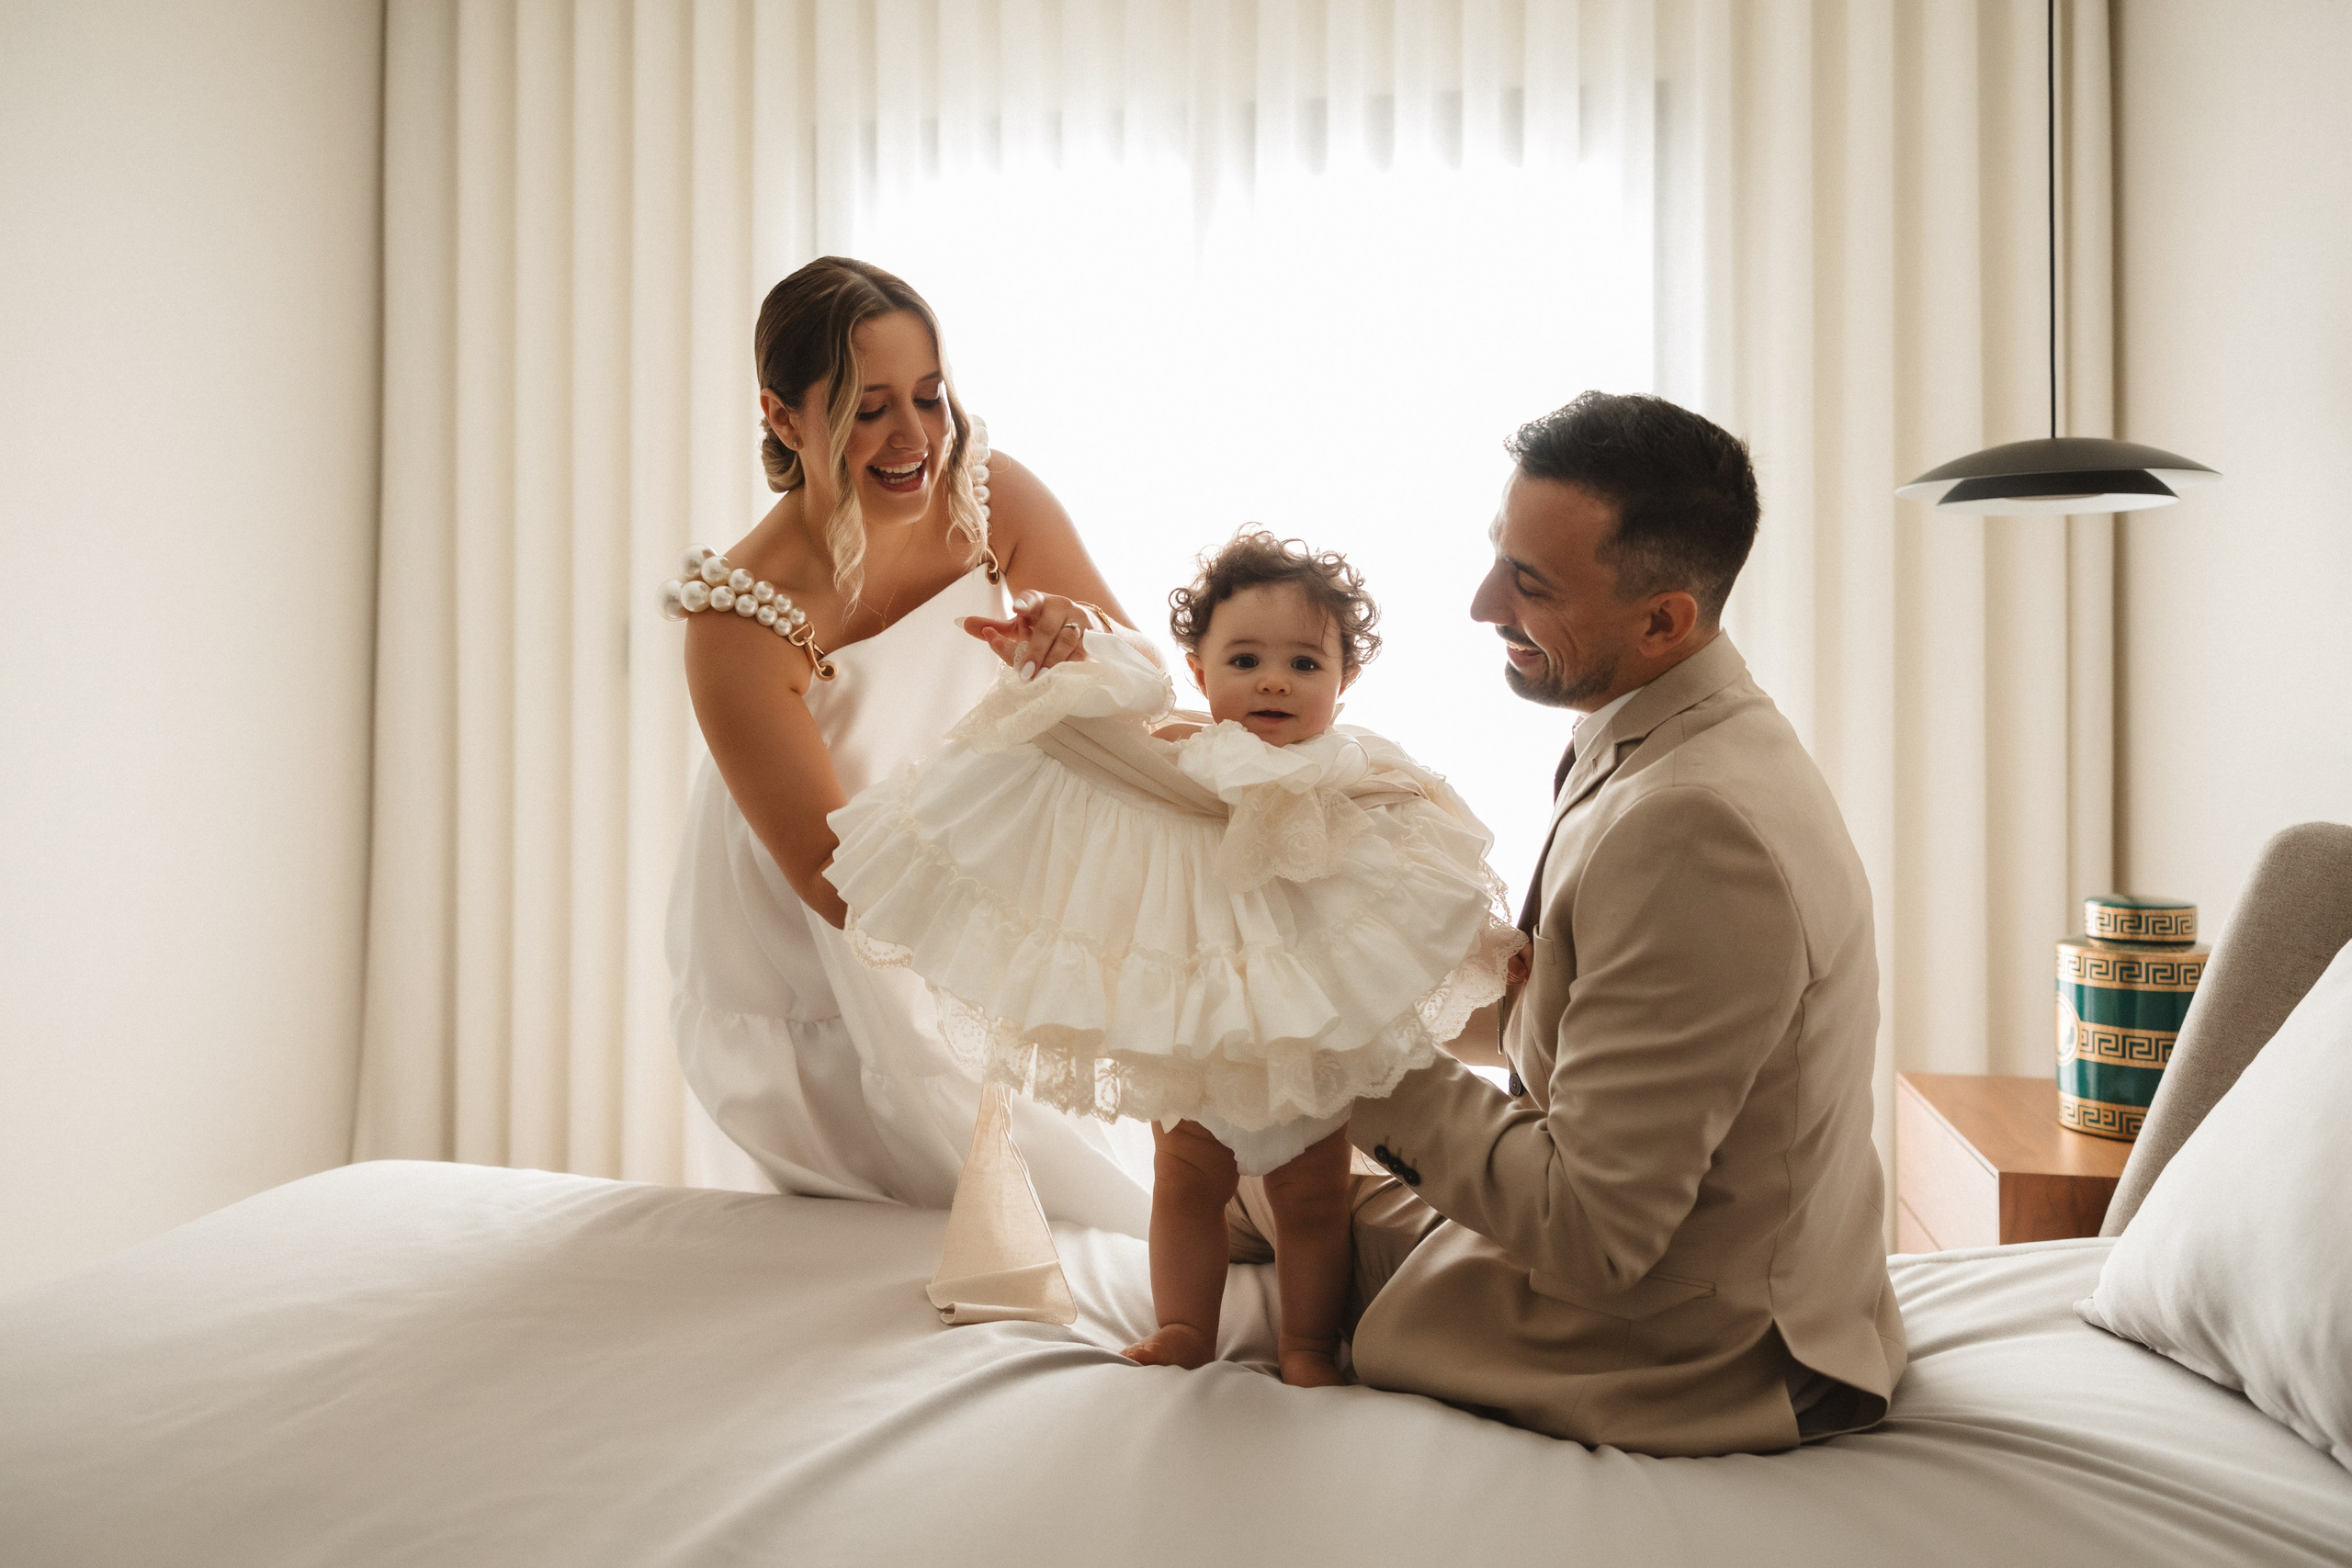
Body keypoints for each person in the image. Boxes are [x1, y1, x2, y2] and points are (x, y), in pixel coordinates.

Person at [1226, 390, 1907, 1455]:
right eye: (1498, 555)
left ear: (1663, 620)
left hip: (1681, 1347)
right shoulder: (1673, 731)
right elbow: (1577, 1019)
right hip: (1716, 1265)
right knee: (1241, 1146)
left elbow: (1594, 1232)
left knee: (1259, 1175)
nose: (1479, 602)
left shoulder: (1694, 829)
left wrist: (1340, 1047)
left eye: (1528, 584)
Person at [824, 532, 1521, 1386]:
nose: (1274, 679)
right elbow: (1109, 716)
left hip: (1303, 1022)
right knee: (1186, 1176)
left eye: (1305, 663)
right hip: (1199, 1015)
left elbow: (1419, 875)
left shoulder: (1358, 769)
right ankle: (1185, 1325)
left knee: (1312, 1198)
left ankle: (1306, 1343)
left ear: (1345, 683)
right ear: (1198, 669)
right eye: (1246, 658)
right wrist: (1067, 654)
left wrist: (1489, 945)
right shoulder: (1180, 749)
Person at [659, 256, 1152, 1235]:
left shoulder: (989, 495)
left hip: (985, 856)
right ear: (784, 416)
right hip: (828, 918)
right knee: (927, 1187)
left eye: (930, 397)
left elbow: (1132, 681)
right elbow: (830, 877)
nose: (915, 437)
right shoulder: (738, 618)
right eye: (869, 407)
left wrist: (1072, 649)